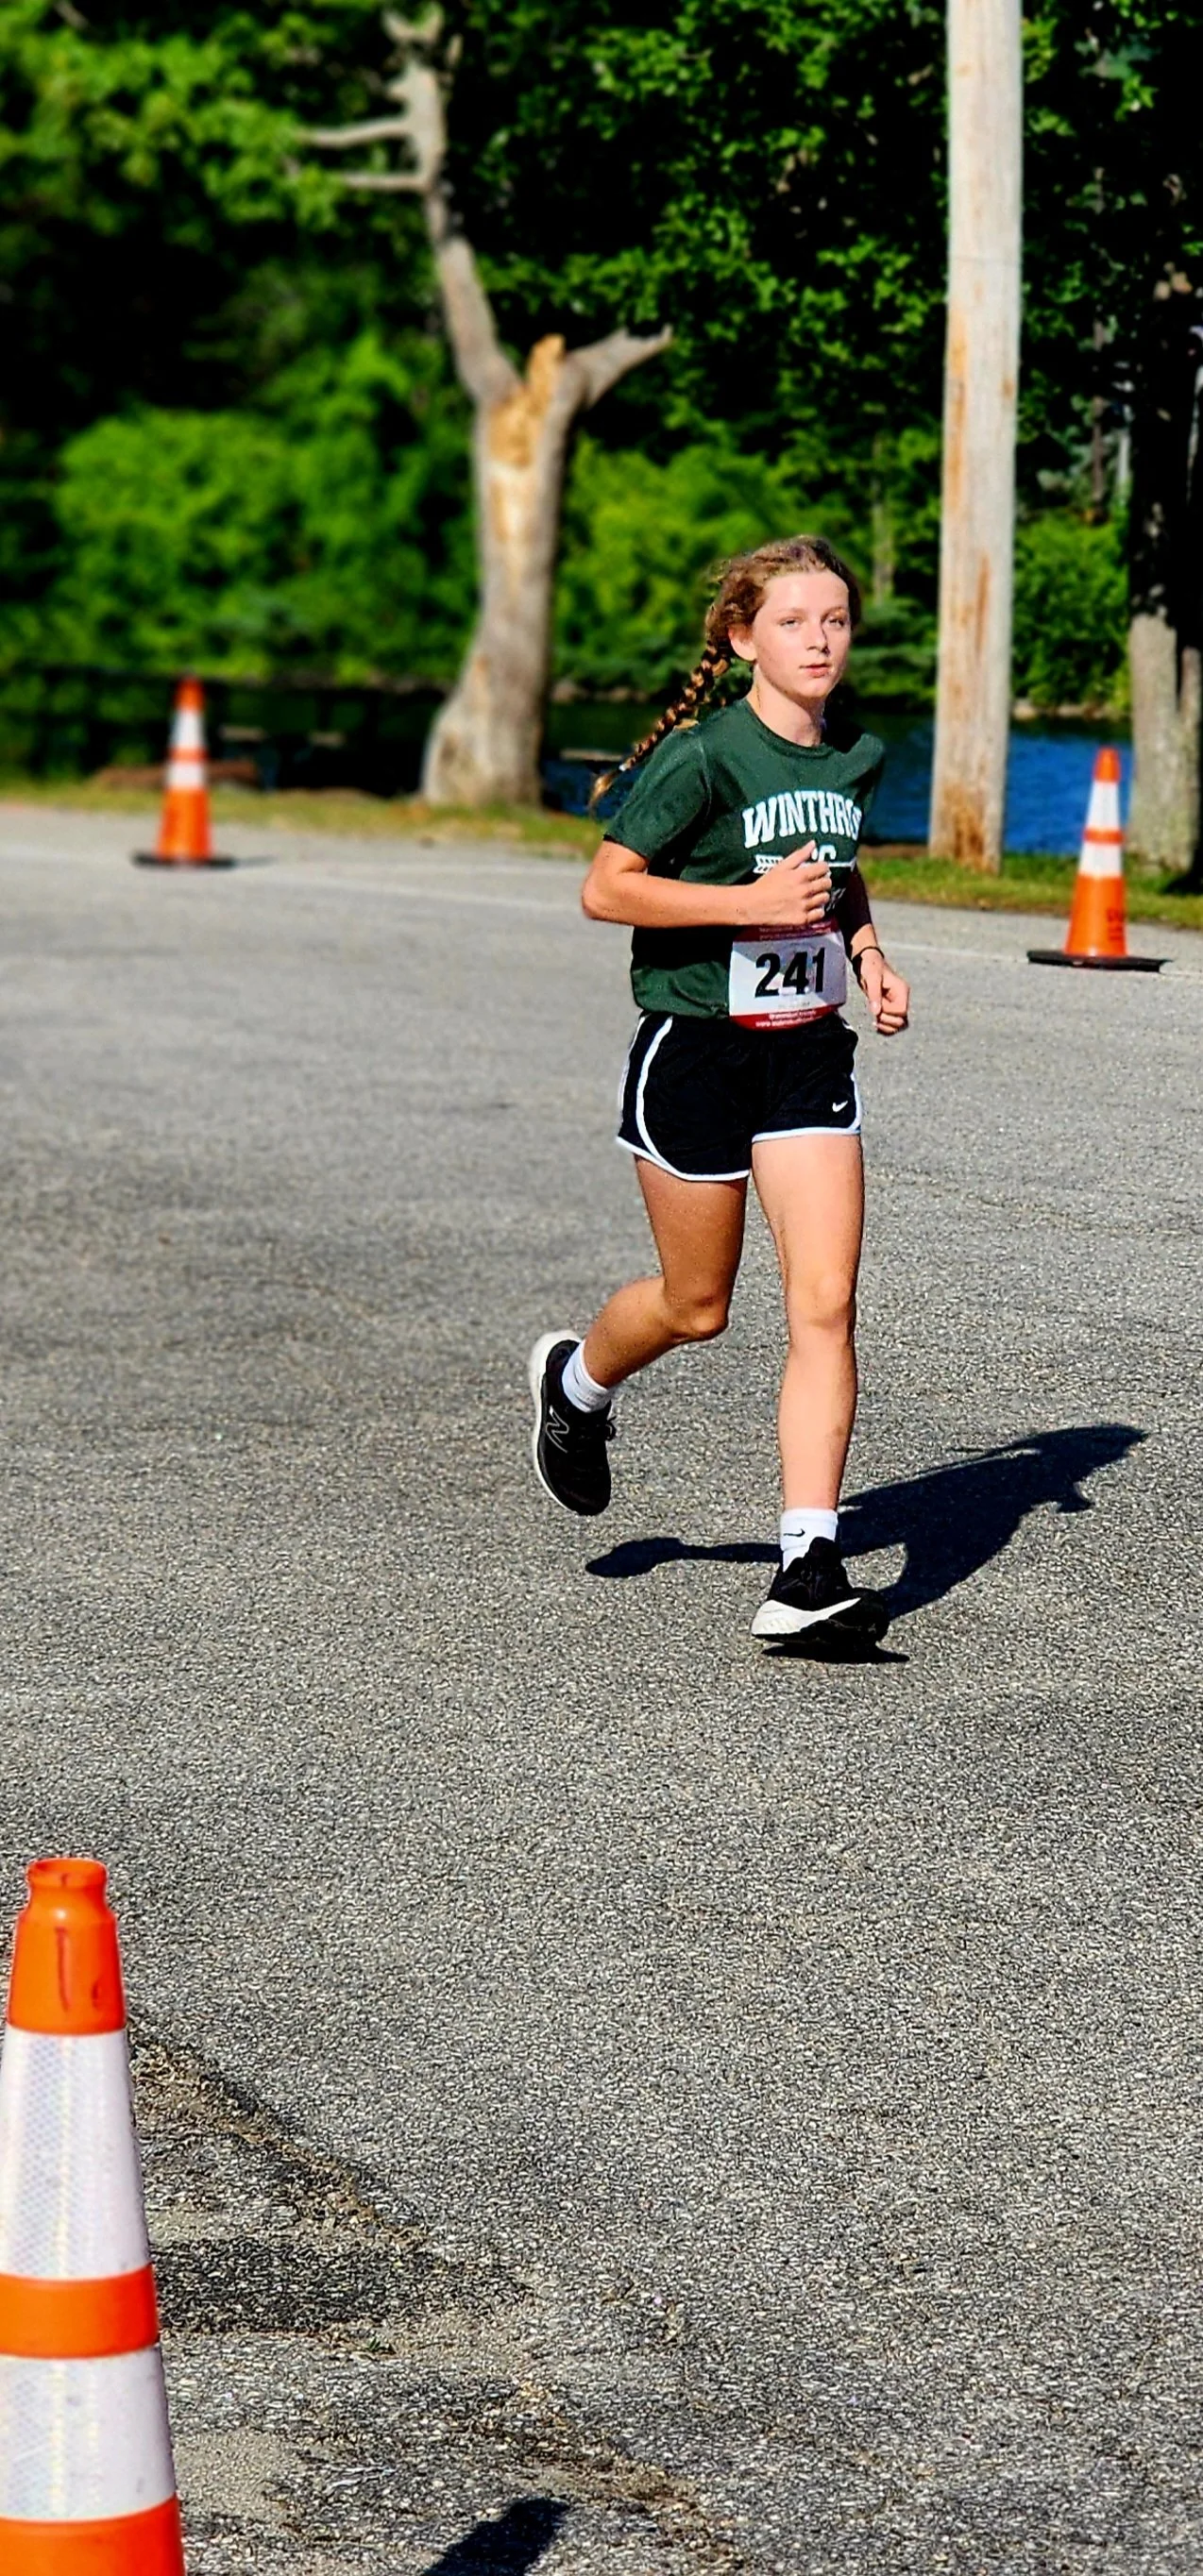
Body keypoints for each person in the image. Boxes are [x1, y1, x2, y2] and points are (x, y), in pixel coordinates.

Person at [529, 534, 910, 1642]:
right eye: (792, 622)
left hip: (804, 1053)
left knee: (824, 1302)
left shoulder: (854, 756)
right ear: (743, 638)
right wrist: (746, 904)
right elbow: (606, 888)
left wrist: (868, 954)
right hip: (694, 1049)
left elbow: (835, 875)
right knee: (696, 1305)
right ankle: (577, 1385)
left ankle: (806, 1566)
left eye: (834, 620)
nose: (818, 641)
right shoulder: (701, 758)